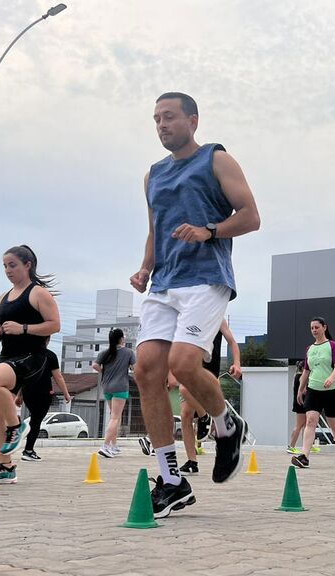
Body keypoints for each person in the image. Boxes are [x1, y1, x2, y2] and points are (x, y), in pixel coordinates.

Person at [129, 92, 261, 518]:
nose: (161, 125)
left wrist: (209, 230)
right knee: (146, 369)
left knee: (185, 365)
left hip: (206, 277)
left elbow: (250, 216)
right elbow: (155, 228)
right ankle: (171, 480)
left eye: (169, 117)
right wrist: (145, 267)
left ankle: (227, 423)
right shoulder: (152, 175)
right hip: (164, 282)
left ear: (193, 119)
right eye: (155, 119)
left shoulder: (216, 159)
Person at [0, 245, 60, 485]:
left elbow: (54, 325)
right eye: (5, 266)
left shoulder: (39, 293)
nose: (8, 270)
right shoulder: (3, 298)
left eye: (12, 265)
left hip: (32, 356)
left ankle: (16, 426)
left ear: (28, 265)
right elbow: (8, 329)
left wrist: (23, 328)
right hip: (8, 355)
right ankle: (5, 466)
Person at [179, 318, 242, 475]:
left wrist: (237, 363)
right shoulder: (188, 316)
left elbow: (233, 342)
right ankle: (192, 462)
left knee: (184, 389)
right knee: (185, 416)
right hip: (190, 367)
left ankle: (204, 416)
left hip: (208, 372)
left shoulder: (217, 318)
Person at [292, 317, 335, 469]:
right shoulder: (310, 349)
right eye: (312, 328)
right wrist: (301, 389)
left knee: (334, 425)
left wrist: (331, 377)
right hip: (313, 390)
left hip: (331, 391)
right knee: (310, 421)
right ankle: (304, 457)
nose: (314, 330)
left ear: (324, 327)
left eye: (317, 327)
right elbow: (306, 370)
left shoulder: (332, 345)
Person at [21, 342, 71, 461]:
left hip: (27, 392)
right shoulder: (50, 355)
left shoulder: (26, 354)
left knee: (34, 419)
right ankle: (28, 450)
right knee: (36, 421)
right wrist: (66, 393)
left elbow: (22, 376)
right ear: (47, 339)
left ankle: (27, 446)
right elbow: (58, 376)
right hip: (43, 393)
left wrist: (19, 395)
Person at [92, 328, 136, 458]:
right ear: (121, 339)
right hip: (120, 387)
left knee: (115, 416)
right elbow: (135, 368)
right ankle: (105, 446)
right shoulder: (128, 352)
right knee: (115, 417)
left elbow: (94, 365)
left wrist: (103, 372)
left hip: (107, 387)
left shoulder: (104, 353)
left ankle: (113, 445)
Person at [287, 360, 307, 455]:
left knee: (305, 425)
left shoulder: (296, 376)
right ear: (303, 368)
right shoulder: (301, 376)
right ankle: (291, 446)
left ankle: (307, 445)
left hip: (301, 403)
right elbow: (303, 391)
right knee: (299, 425)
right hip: (301, 403)